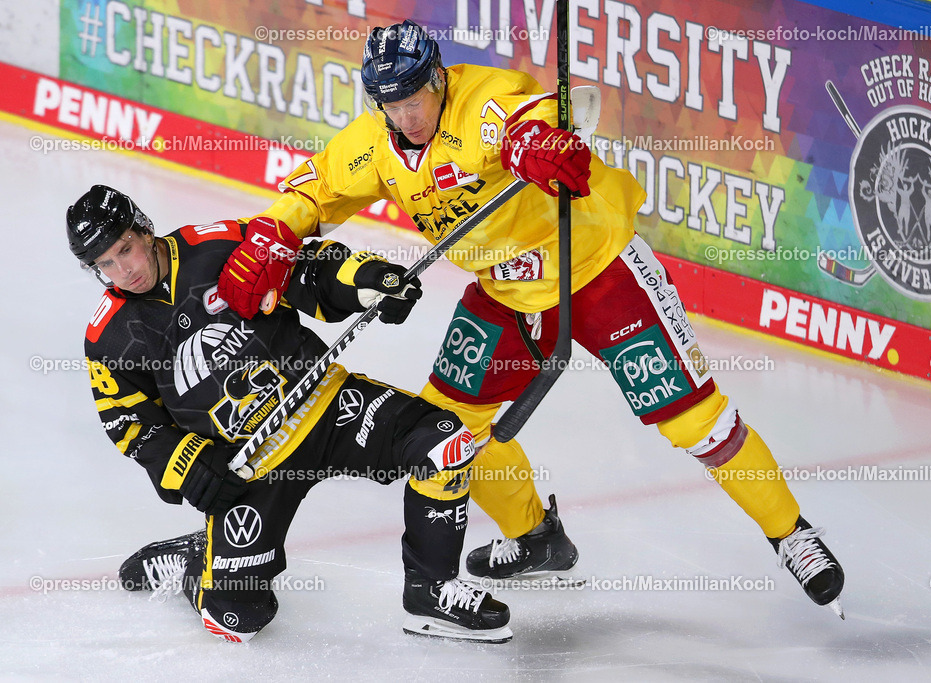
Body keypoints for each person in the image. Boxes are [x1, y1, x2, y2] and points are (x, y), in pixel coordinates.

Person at [216, 20, 846, 616]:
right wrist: (275, 235)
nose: (405, 115)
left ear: (436, 79)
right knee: (446, 427)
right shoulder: (375, 143)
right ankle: (537, 536)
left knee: (693, 419)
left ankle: (791, 535)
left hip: (600, 269)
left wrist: (538, 146)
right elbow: (313, 189)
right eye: (389, 102)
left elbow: (526, 116)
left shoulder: (482, 100)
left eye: (413, 96)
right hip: (508, 292)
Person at [69, 184, 513, 642]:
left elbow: (304, 269)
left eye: (126, 249)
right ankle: (195, 562)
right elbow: (131, 426)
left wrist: (367, 280)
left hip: (325, 405)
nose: (124, 270)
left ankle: (432, 594)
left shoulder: (217, 246)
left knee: (446, 445)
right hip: (252, 463)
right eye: (105, 263)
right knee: (235, 620)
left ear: (144, 230)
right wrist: (188, 465)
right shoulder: (108, 338)